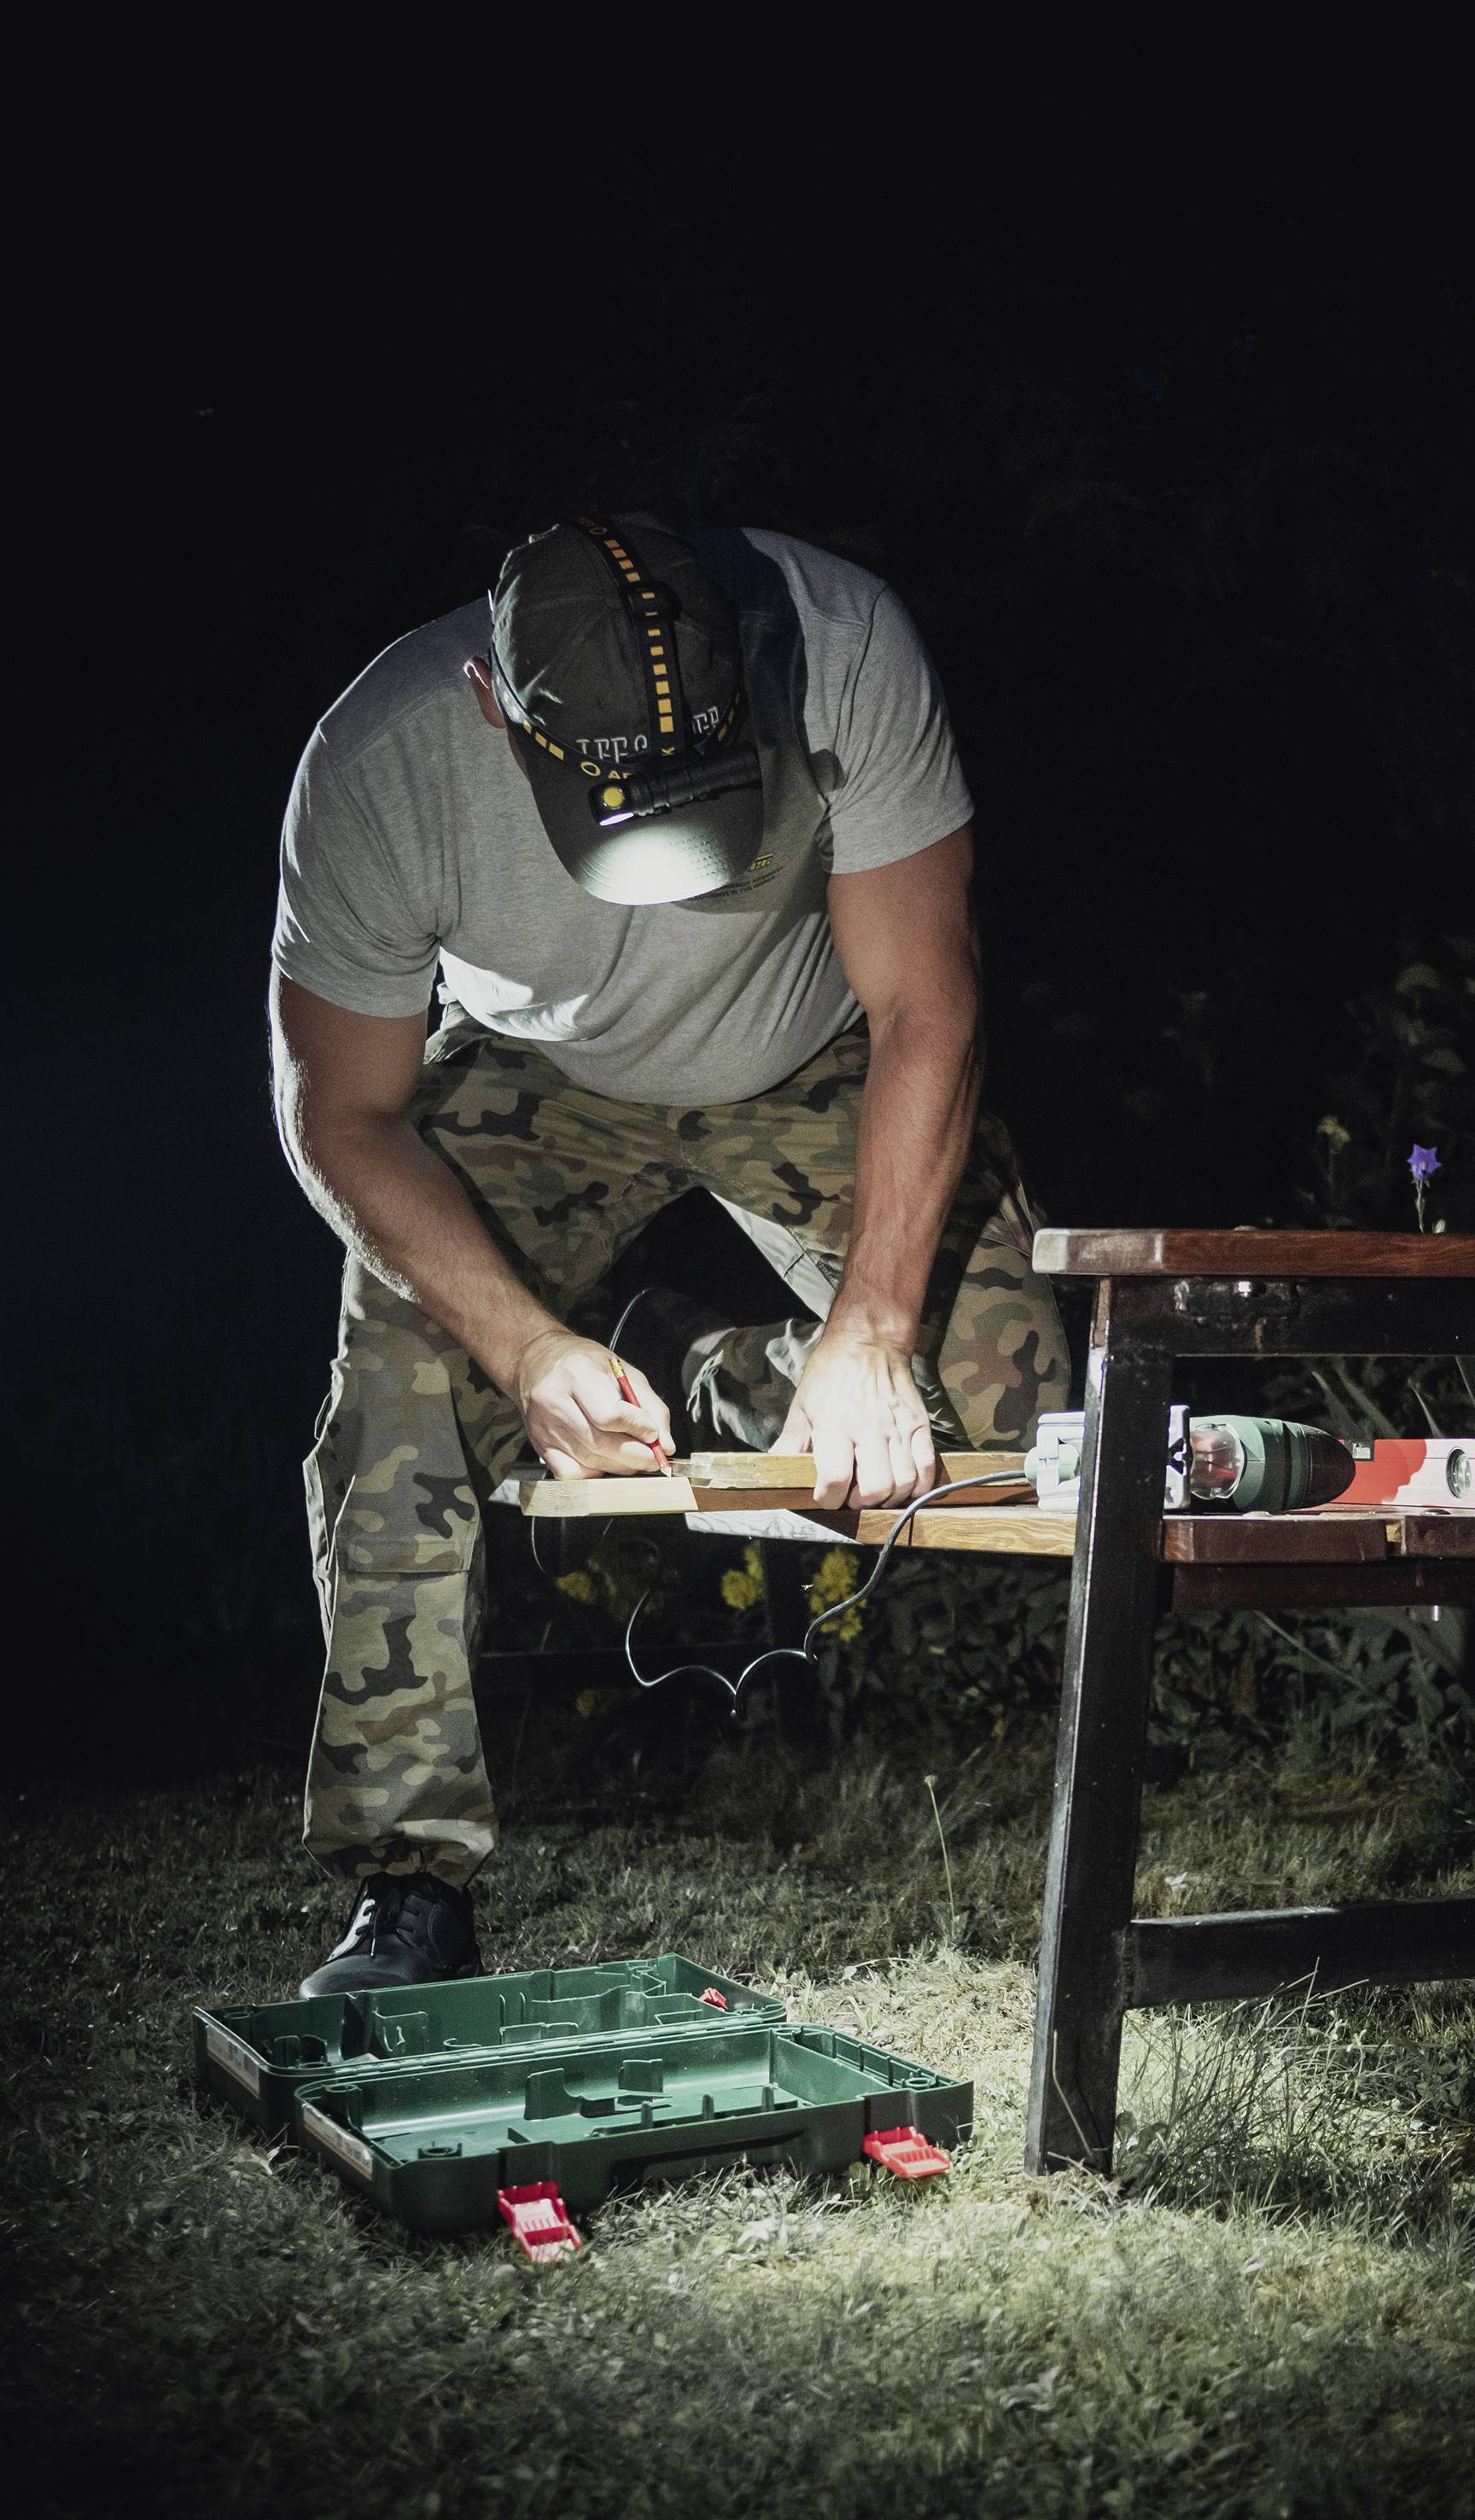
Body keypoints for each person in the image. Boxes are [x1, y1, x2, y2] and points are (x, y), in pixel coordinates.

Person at [270, 513, 1070, 1997]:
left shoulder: (843, 645)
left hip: (811, 1049)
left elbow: (928, 1008)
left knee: (1023, 1417)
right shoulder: (378, 765)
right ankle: (408, 1884)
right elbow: (344, 1112)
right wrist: (525, 1345)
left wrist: (876, 1328)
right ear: (500, 709)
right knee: (401, 1389)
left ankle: (715, 1367)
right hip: (532, 1075)